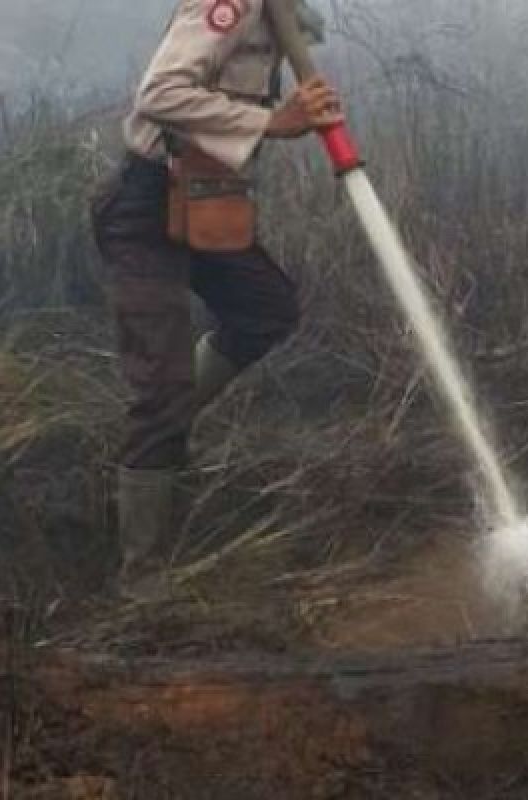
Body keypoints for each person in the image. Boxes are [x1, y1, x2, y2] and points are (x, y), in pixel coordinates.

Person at [92, 0, 340, 596]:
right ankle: (141, 578)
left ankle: (161, 433)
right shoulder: (228, 4)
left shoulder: (283, 14)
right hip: (147, 207)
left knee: (266, 309)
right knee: (162, 386)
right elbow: (160, 93)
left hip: (208, 202)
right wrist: (270, 122)